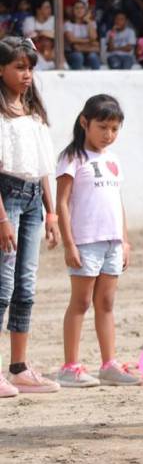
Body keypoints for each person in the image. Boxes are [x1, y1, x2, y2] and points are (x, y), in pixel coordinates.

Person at [54, 95, 141, 388]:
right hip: (85, 242)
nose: (108, 134)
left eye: (114, 129)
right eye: (102, 127)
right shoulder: (72, 158)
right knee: (80, 302)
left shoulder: (113, 160)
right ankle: (70, 366)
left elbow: (118, 202)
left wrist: (124, 241)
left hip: (112, 243)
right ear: (84, 122)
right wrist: (69, 244)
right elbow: (62, 203)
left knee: (106, 303)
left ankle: (109, 364)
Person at [0, 37, 60, 398]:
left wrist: (51, 211)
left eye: (30, 68)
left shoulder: (33, 110)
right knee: (2, 286)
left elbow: (42, 167)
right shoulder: (1, 113)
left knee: (25, 285)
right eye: (19, 67)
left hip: (34, 199)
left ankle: (19, 367)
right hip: (7, 198)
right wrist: (2, 219)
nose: (27, 75)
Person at [64, 1, 101, 70]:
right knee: (78, 56)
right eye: (77, 8)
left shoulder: (91, 23)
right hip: (72, 53)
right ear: (73, 10)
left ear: (86, 10)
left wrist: (88, 20)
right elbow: (72, 40)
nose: (79, 10)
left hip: (88, 53)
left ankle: (97, 75)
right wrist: (90, 41)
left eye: (82, 8)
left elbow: (94, 37)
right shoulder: (68, 24)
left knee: (93, 56)